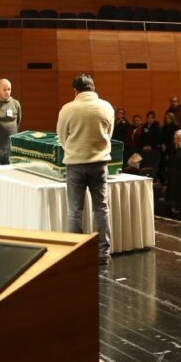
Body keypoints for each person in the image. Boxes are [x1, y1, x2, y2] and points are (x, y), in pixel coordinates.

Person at [57, 74, 116, 264]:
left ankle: (77, 253)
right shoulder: (106, 107)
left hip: (75, 164)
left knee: (75, 211)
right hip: (99, 164)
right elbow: (109, 134)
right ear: (93, 88)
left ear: (75, 91)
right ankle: (103, 254)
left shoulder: (67, 109)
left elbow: (61, 137)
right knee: (101, 209)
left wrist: (74, 150)